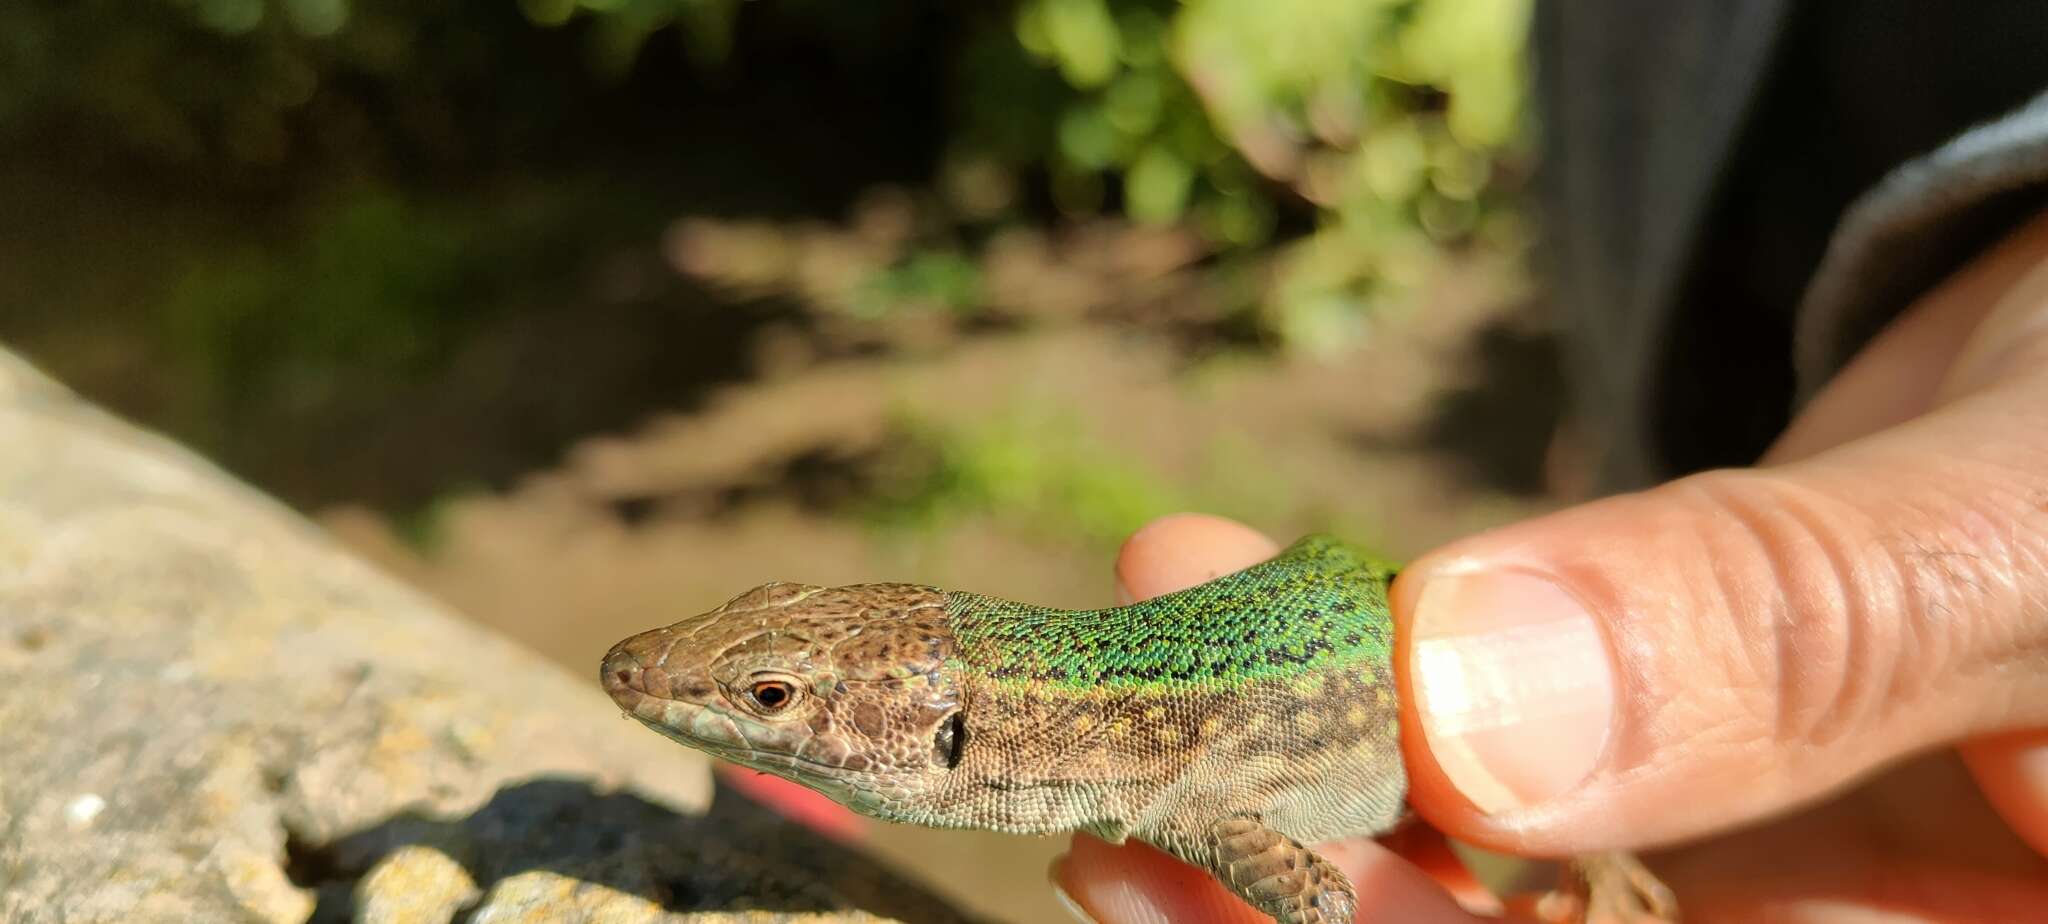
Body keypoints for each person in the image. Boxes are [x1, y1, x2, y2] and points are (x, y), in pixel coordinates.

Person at [1052, 4, 2048, 921]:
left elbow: (1319, 903)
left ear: (953, 746)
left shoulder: (1182, 788)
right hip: (1726, 259)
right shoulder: (1172, 779)